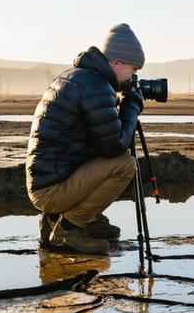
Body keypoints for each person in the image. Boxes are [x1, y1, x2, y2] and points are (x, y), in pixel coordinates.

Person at [26, 23, 146, 254]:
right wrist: (131, 106)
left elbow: (97, 142)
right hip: (51, 191)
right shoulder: (96, 86)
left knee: (105, 157)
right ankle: (68, 228)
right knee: (124, 165)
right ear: (116, 63)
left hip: (46, 182)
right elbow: (114, 146)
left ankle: (67, 219)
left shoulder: (78, 77)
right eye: (133, 70)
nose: (133, 77)